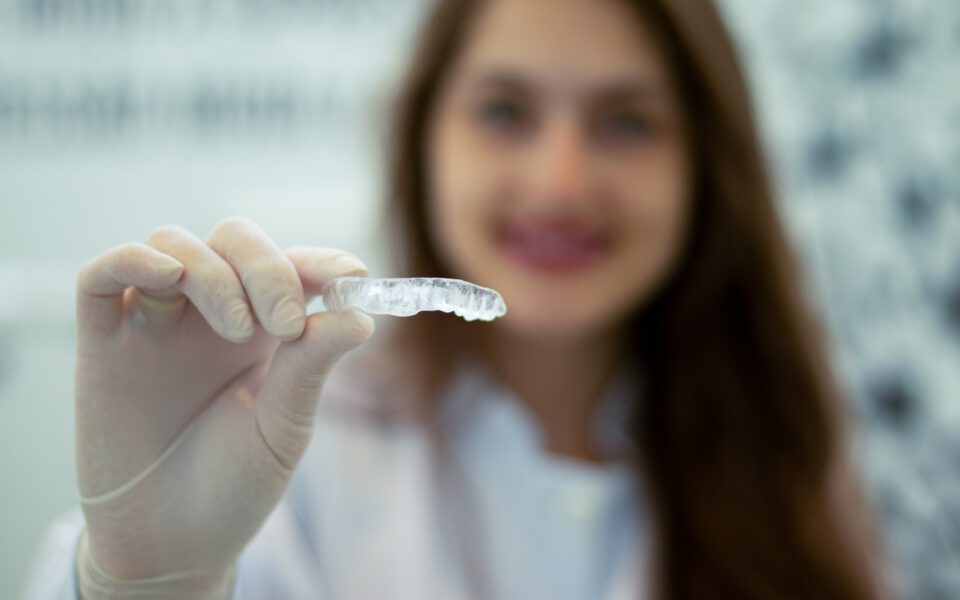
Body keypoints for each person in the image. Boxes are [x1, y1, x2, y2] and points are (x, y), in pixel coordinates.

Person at [23, 0, 890, 598]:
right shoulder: (286, 456)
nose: (560, 182)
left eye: (627, 121)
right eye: (505, 112)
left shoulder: (790, 466)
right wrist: (143, 580)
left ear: (706, 165)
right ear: (422, 141)